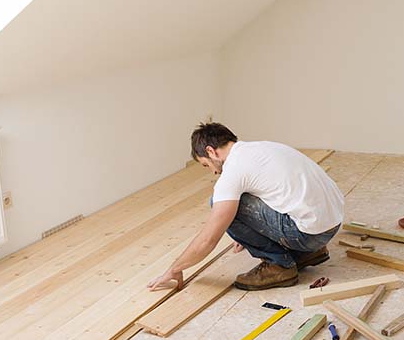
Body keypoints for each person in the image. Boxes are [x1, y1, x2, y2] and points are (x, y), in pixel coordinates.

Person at [147, 122, 343, 291]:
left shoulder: (233, 171)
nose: (214, 172)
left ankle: (280, 265)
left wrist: (174, 269)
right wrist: (253, 230)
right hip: (331, 225)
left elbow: (209, 238)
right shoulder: (262, 148)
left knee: (219, 202)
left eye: (207, 165)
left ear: (210, 151)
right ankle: (308, 253)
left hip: (309, 235)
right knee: (235, 200)